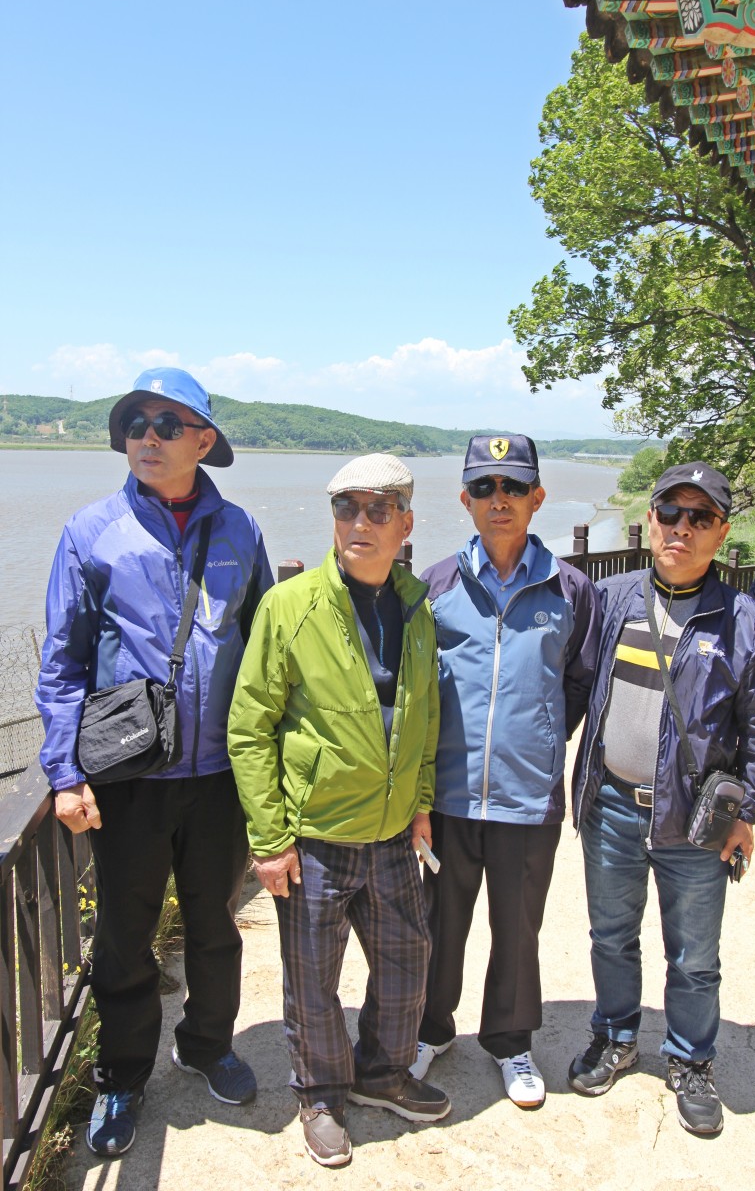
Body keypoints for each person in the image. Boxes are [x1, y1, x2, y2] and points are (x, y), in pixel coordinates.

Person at [35, 367, 273, 1158]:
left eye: (168, 425)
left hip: (220, 778)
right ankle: (123, 1074)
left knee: (215, 928)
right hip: (128, 780)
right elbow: (63, 665)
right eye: (135, 422)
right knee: (125, 937)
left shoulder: (241, 530)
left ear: (204, 441)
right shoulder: (90, 530)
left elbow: (269, 653)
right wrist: (64, 772)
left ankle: (207, 1046)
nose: (147, 436)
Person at [228, 453, 449, 1169]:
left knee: (407, 961)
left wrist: (419, 806)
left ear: (405, 523)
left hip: (389, 836)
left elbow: (423, 718)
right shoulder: (289, 606)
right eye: (347, 508)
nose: (360, 522)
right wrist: (269, 839)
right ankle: (321, 1095)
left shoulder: (416, 608)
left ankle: (383, 1072)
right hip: (316, 837)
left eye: (378, 509)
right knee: (313, 981)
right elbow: (250, 724)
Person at [568, 461, 755, 1136]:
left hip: (694, 825)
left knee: (694, 957)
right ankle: (615, 1034)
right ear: (653, 521)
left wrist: (747, 812)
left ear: (723, 533)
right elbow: (577, 686)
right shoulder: (615, 598)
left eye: (701, 518)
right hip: (609, 806)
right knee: (610, 936)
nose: (681, 529)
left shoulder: (742, 618)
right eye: (671, 513)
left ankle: (691, 1060)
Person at [410, 434, 601, 1108]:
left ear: (537, 498)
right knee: (440, 923)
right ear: (465, 499)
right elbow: (415, 687)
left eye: (514, 487)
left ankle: (511, 1041)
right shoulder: (433, 585)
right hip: (451, 797)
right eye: (486, 488)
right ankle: (430, 1029)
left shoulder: (570, 588)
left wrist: (545, 742)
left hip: (528, 797)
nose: (500, 500)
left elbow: (580, 681)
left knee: (518, 928)